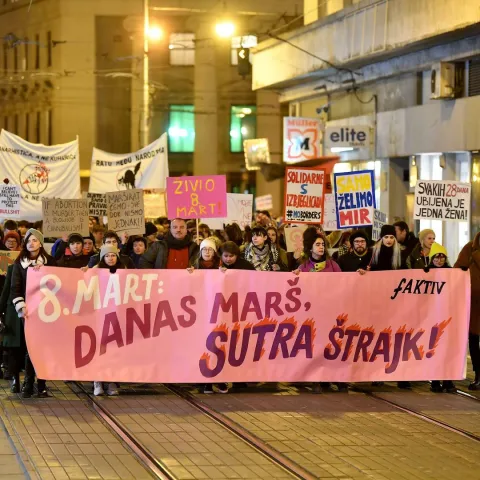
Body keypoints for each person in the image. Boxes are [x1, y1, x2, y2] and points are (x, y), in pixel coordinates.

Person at [293, 229, 342, 393]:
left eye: (322, 244)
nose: (321, 247)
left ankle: (330, 377)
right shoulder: (304, 267)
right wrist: (294, 276)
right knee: (314, 346)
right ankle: (315, 379)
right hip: (311, 315)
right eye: (318, 244)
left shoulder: (333, 265)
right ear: (311, 248)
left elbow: (344, 283)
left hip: (329, 312)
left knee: (329, 346)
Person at [10, 229, 57, 398]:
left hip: (47, 311)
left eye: (35, 240)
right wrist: (21, 307)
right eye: (29, 240)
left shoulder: (50, 262)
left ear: (41, 243)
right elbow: (15, 289)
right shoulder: (19, 263)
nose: (32, 243)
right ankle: (29, 382)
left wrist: (45, 271)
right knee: (31, 347)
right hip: (28, 312)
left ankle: (40, 383)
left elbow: (60, 282)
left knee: (44, 347)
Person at [362, 225, 409, 389]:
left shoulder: (400, 254)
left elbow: (406, 274)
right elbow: (366, 271)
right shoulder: (373, 253)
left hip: (394, 302)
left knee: (395, 336)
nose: (389, 240)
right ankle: (376, 372)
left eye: (391, 237)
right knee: (378, 337)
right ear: (381, 238)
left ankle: (399, 373)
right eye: (386, 237)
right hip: (377, 301)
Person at [188, 238, 228, 395]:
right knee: (202, 346)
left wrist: (226, 274)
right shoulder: (194, 267)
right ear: (200, 252)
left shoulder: (221, 267)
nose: (207, 252)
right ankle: (205, 382)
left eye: (210, 250)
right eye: (204, 250)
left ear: (214, 252)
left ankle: (220, 379)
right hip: (200, 313)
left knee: (218, 344)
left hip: (219, 311)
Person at [92, 245, 129, 396]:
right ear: (102, 258)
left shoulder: (124, 272)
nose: (110, 258)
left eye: (113, 255)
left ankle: (113, 381)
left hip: (118, 316)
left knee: (115, 350)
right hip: (99, 317)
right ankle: (98, 380)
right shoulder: (94, 272)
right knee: (99, 349)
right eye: (107, 256)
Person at [426, 243, 455, 393]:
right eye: (436, 257)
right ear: (432, 258)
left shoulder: (452, 273)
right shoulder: (426, 273)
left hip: (447, 316)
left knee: (447, 348)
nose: (439, 260)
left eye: (442, 257)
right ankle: (436, 380)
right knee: (434, 348)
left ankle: (448, 380)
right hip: (432, 318)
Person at [455, 232, 480, 390]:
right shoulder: (469, 249)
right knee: (474, 338)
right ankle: (478, 374)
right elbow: (457, 270)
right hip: (473, 302)